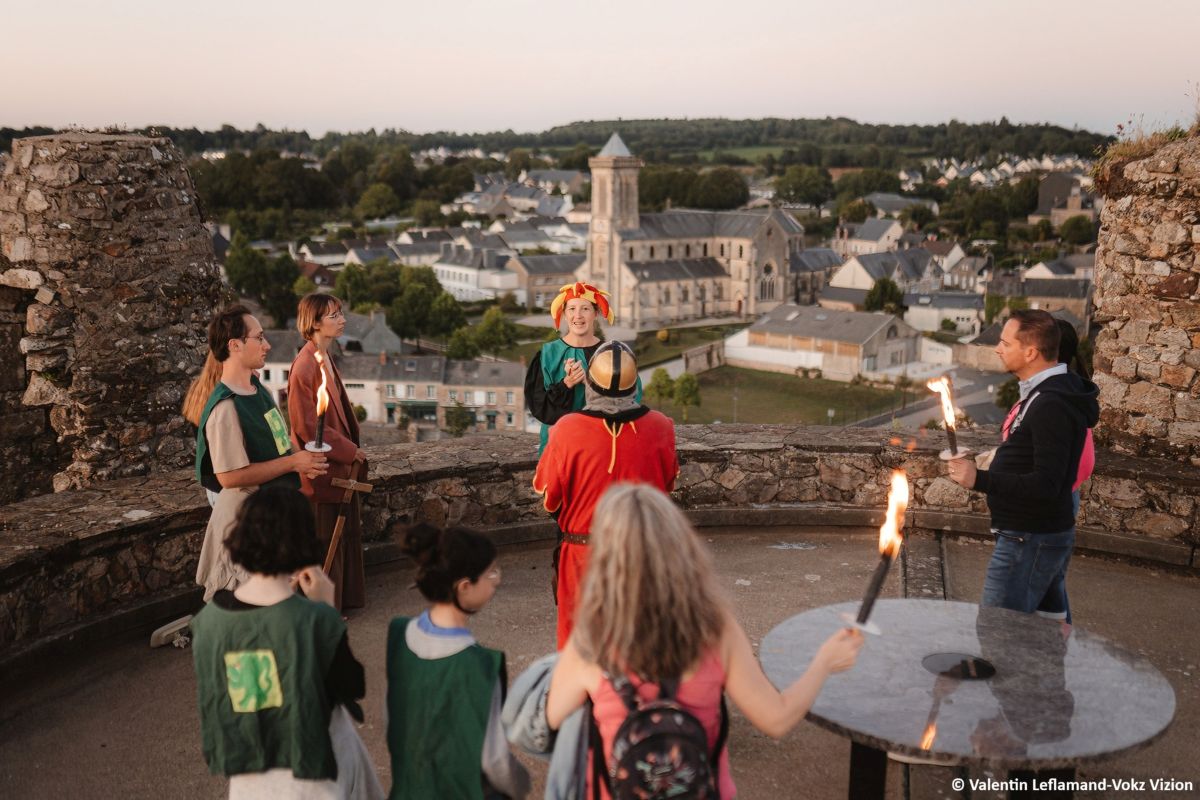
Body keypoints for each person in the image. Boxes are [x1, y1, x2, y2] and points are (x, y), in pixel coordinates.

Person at [545, 484, 863, 799]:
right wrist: (823, 662)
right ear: (678, 546)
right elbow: (777, 718)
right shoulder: (716, 629)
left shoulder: (592, 638)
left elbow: (552, 718)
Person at [191, 487, 383, 800]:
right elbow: (350, 685)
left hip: (249, 770)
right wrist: (325, 609)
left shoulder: (208, 621)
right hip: (311, 771)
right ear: (302, 540)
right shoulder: (312, 620)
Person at [947, 309, 1098, 622]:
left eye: (1005, 343)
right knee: (1047, 629)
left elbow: (1046, 484)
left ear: (1030, 352)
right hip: (1036, 534)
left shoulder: (1051, 404)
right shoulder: (1049, 394)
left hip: (1029, 537)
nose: (997, 349)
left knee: (998, 630)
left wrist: (979, 479)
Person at [533, 340, 678, 649]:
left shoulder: (565, 429)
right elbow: (666, 487)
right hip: (642, 552)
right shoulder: (661, 427)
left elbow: (550, 498)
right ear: (633, 386)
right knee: (639, 646)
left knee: (579, 650)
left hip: (583, 556)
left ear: (590, 384)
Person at [385, 524, 530, 800]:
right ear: (464, 586)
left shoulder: (399, 633)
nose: (497, 580)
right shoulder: (480, 664)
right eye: (491, 573)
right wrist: (522, 783)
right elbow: (495, 761)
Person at [195, 304, 327, 601]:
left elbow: (280, 442)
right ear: (235, 345)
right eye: (259, 338)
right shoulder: (225, 408)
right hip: (247, 525)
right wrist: (293, 462)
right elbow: (229, 477)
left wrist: (303, 460)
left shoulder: (258, 389)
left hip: (273, 517)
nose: (267, 345)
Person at [288, 293, 367, 611]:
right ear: (315, 323)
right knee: (325, 542)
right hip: (322, 472)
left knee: (340, 536)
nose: (342, 320)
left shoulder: (324, 357)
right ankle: (323, 610)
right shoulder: (304, 366)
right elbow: (307, 426)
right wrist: (350, 451)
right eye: (334, 315)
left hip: (338, 469)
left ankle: (340, 602)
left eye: (340, 313)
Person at [525, 281, 641, 455]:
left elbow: (631, 401)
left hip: (601, 449)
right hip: (557, 449)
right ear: (564, 314)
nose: (577, 315)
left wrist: (591, 383)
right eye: (572, 309)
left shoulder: (613, 354)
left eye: (585, 309)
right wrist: (566, 384)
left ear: (596, 313)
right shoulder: (547, 355)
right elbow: (540, 407)